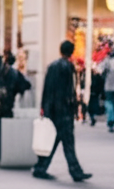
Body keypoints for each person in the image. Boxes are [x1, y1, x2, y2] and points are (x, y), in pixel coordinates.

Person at [33, 40, 91, 181]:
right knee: (67, 142)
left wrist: (44, 108)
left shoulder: (52, 66)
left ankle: (42, 167)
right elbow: (70, 91)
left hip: (53, 110)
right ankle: (74, 171)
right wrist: (75, 108)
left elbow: (46, 89)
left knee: (53, 140)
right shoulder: (68, 67)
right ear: (71, 52)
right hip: (64, 111)